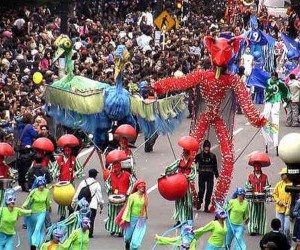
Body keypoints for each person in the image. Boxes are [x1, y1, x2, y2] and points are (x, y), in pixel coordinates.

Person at [165, 146, 198, 226]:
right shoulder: (179, 162)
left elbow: (194, 174)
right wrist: (168, 171)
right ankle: (179, 220)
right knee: (179, 202)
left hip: (186, 185)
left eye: (187, 154)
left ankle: (189, 221)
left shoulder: (192, 163)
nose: (185, 155)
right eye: (184, 153)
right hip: (178, 185)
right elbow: (170, 169)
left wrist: (188, 176)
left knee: (188, 203)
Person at [104, 154, 135, 237]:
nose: (115, 170)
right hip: (114, 196)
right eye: (114, 168)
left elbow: (133, 183)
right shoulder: (111, 175)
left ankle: (121, 230)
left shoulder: (127, 174)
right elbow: (106, 183)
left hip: (124, 197)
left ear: (120, 168)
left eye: (117, 168)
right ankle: (113, 229)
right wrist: (109, 187)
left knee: (122, 215)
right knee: (112, 214)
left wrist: (129, 192)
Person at [52, 145, 83, 220]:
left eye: (68, 151)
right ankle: (62, 216)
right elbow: (53, 170)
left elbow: (81, 169)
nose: (67, 153)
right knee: (61, 199)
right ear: (63, 151)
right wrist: (56, 174)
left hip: (70, 183)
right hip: (61, 183)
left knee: (71, 199)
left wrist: (76, 174)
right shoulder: (59, 159)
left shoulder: (74, 159)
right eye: (65, 151)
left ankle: (71, 213)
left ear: (71, 151)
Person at [263, 71, 290, 156]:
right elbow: (267, 90)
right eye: (272, 77)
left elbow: (285, 91)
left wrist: (286, 100)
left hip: (276, 102)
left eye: (275, 77)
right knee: (265, 121)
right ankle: (267, 142)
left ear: (277, 77)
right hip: (268, 102)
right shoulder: (268, 81)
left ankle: (276, 144)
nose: (273, 78)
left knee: (275, 123)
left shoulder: (280, 83)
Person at [72, 168, 104, 238]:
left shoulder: (83, 182)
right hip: (92, 205)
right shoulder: (97, 184)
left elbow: (78, 192)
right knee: (91, 219)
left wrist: (74, 201)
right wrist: (101, 204)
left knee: (81, 217)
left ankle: (80, 230)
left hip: (82, 204)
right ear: (95, 175)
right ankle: (89, 233)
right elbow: (99, 196)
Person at [22, 175, 51, 250]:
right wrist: (24, 209)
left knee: (38, 228)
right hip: (33, 213)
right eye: (40, 185)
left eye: (43, 185)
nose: (42, 186)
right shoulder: (33, 192)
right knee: (32, 229)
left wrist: (49, 207)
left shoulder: (47, 191)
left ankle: (35, 243)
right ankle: (33, 245)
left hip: (42, 212)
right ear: (38, 184)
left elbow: (47, 202)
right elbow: (28, 201)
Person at [118, 180, 148, 250]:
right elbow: (128, 208)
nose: (143, 188)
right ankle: (127, 243)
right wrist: (124, 219)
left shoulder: (145, 197)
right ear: (137, 187)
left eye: (144, 187)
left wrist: (146, 215)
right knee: (128, 237)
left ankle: (134, 247)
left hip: (141, 219)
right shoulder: (132, 196)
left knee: (136, 241)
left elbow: (146, 207)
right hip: (132, 218)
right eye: (141, 187)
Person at [245, 160, 271, 235]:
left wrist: (265, 189)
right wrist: (251, 189)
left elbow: (268, 186)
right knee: (253, 214)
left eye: (258, 169)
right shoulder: (250, 176)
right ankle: (253, 229)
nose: (256, 170)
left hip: (261, 197)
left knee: (261, 214)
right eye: (255, 169)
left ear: (260, 168)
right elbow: (247, 185)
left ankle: (261, 229)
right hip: (253, 197)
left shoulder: (265, 176)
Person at [195, 139, 218, 212]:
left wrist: (217, 175)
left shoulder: (213, 156)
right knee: (201, 190)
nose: (207, 148)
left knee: (209, 191)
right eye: (205, 147)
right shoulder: (199, 156)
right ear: (203, 147)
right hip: (202, 175)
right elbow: (193, 163)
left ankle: (206, 206)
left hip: (210, 175)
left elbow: (215, 167)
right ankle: (200, 201)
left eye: (208, 147)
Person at [272, 167, 292, 239]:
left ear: (287, 175)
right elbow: (274, 194)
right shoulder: (279, 184)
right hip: (279, 209)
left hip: (288, 210)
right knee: (279, 229)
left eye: (283, 174)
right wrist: (278, 201)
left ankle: (287, 243)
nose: (281, 176)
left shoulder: (293, 184)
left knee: (287, 229)